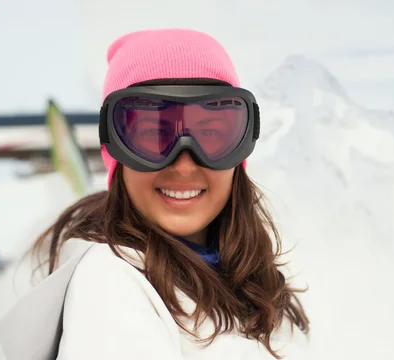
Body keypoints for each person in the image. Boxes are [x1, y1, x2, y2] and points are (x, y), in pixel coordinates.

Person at [29, 29, 310, 359]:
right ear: (115, 148)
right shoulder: (110, 286)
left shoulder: (257, 279)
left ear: (241, 150)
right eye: (151, 136)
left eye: (211, 135)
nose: (184, 164)